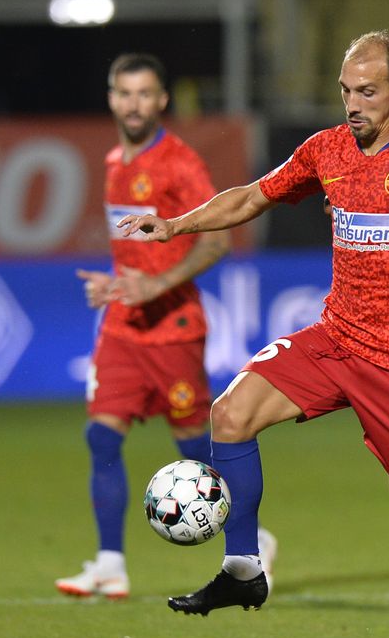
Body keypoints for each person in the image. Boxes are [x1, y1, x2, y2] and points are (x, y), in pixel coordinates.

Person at [120, 31, 389, 638]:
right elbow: (253, 195)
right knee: (229, 416)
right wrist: (174, 226)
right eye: (345, 91)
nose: (352, 104)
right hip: (336, 340)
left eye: (367, 92)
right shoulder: (327, 149)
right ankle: (244, 570)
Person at [55, 53, 275, 599]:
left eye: (144, 94)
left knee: (196, 452)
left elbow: (218, 239)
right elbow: (133, 251)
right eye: (124, 93)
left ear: (161, 101)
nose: (133, 104)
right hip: (123, 328)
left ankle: (254, 539)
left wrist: (155, 286)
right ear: (111, 98)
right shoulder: (113, 161)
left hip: (174, 328)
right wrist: (116, 285)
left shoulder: (178, 162)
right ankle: (110, 563)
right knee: (100, 435)